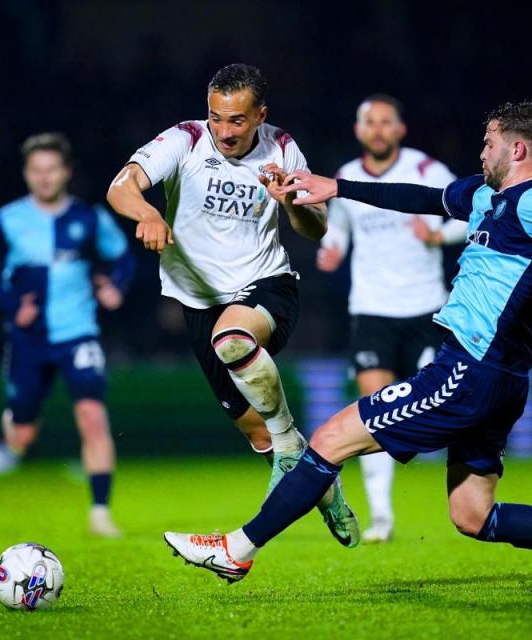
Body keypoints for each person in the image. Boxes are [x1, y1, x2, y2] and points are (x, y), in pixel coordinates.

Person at [164, 101, 532, 590]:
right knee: (472, 515)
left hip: (471, 369)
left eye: (489, 143)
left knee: (328, 438)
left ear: (518, 150)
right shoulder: (487, 196)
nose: (481, 152)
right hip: (500, 378)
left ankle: (237, 549)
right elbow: (417, 198)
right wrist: (338, 188)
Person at [106, 63, 359, 546]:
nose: (224, 130)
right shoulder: (184, 138)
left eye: (237, 120)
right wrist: (148, 212)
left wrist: (289, 202)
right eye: (216, 117)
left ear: (260, 115)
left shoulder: (282, 148)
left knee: (234, 340)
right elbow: (121, 187)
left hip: (265, 284)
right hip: (198, 301)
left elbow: (316, 227)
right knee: (257, 433)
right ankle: (326, 490)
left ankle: (287, 440)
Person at [318, 94, 467, 543]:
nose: (378, 129)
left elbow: (470, 213)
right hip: (372, 308)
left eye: (386, 122)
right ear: (359, 130)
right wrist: (333, 247)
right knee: (373, 407)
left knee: (445, 405)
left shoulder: (426, 171)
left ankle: (470, 498)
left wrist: (438, 233)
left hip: (426, 307)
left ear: (401, 129)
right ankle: (381, 515)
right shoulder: (345, 177)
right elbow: (341, 228)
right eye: (370, 122)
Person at [0, 132, 135, 537]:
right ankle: (14, 430)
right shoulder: (8, 218)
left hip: (78, 333)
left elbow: (122, 256)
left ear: (65, 172)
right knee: (22, 435)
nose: (44, 178)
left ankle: (100, 511)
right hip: (28, 340)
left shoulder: (88, 217)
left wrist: (116, 286)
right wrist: (14, 306)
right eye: (36, 170)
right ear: (27, 174)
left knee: (92, 415)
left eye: (51, 169)